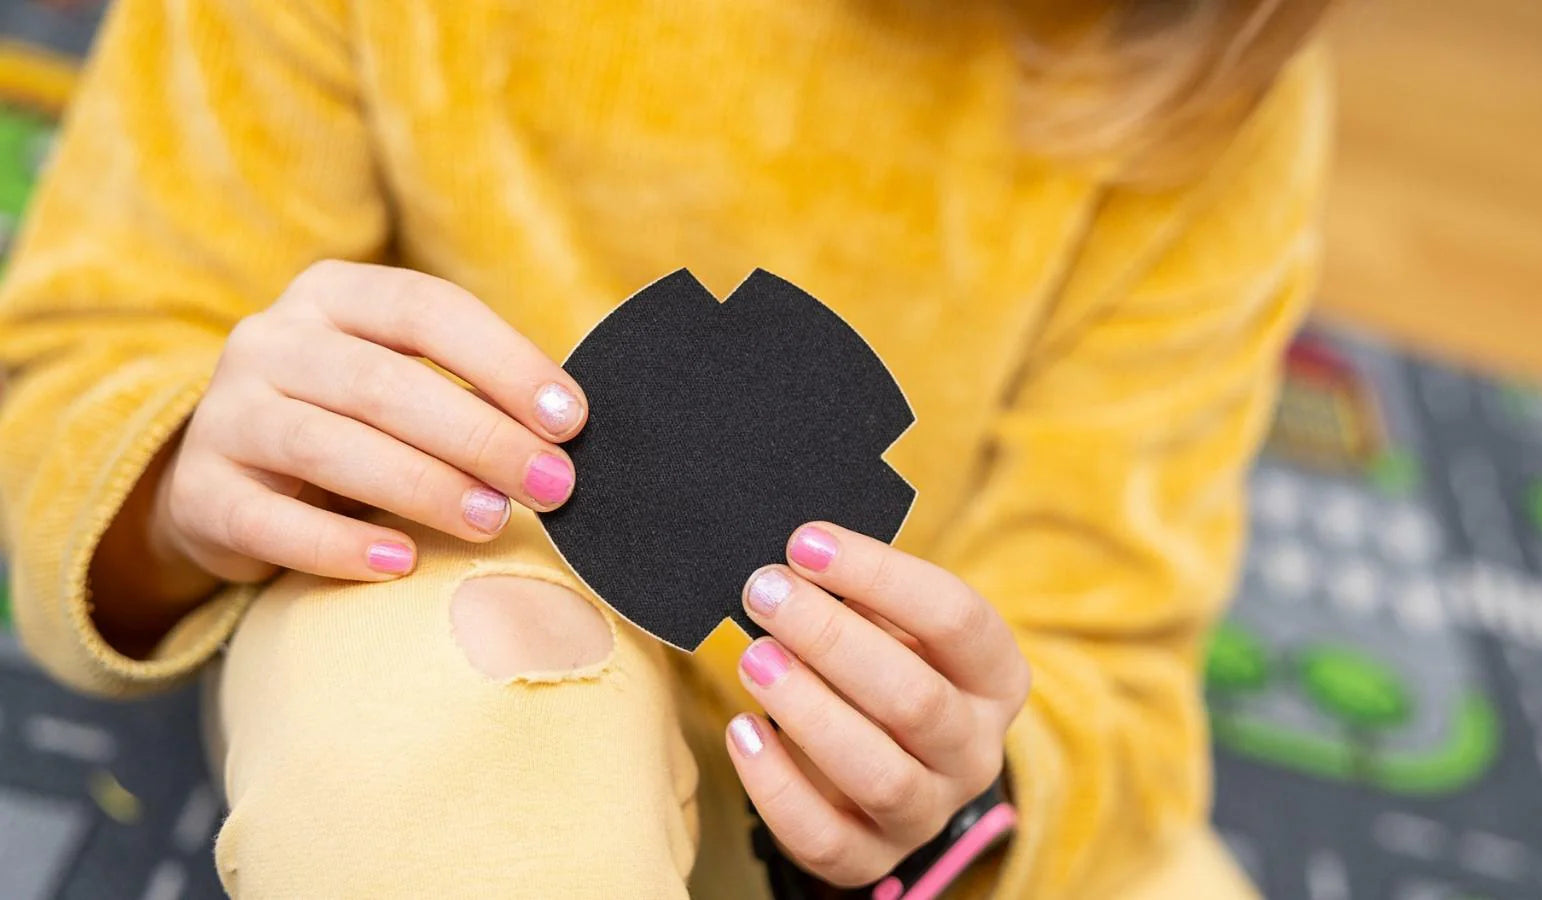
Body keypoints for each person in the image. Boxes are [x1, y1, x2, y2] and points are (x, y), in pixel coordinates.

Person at [0, 0, 1331, 896]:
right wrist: (183, 493)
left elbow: (1113, 676)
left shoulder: (1204, 98)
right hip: (464, 597)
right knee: (457, 713)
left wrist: (964, 807)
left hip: (887, 804)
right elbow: (97, 353)